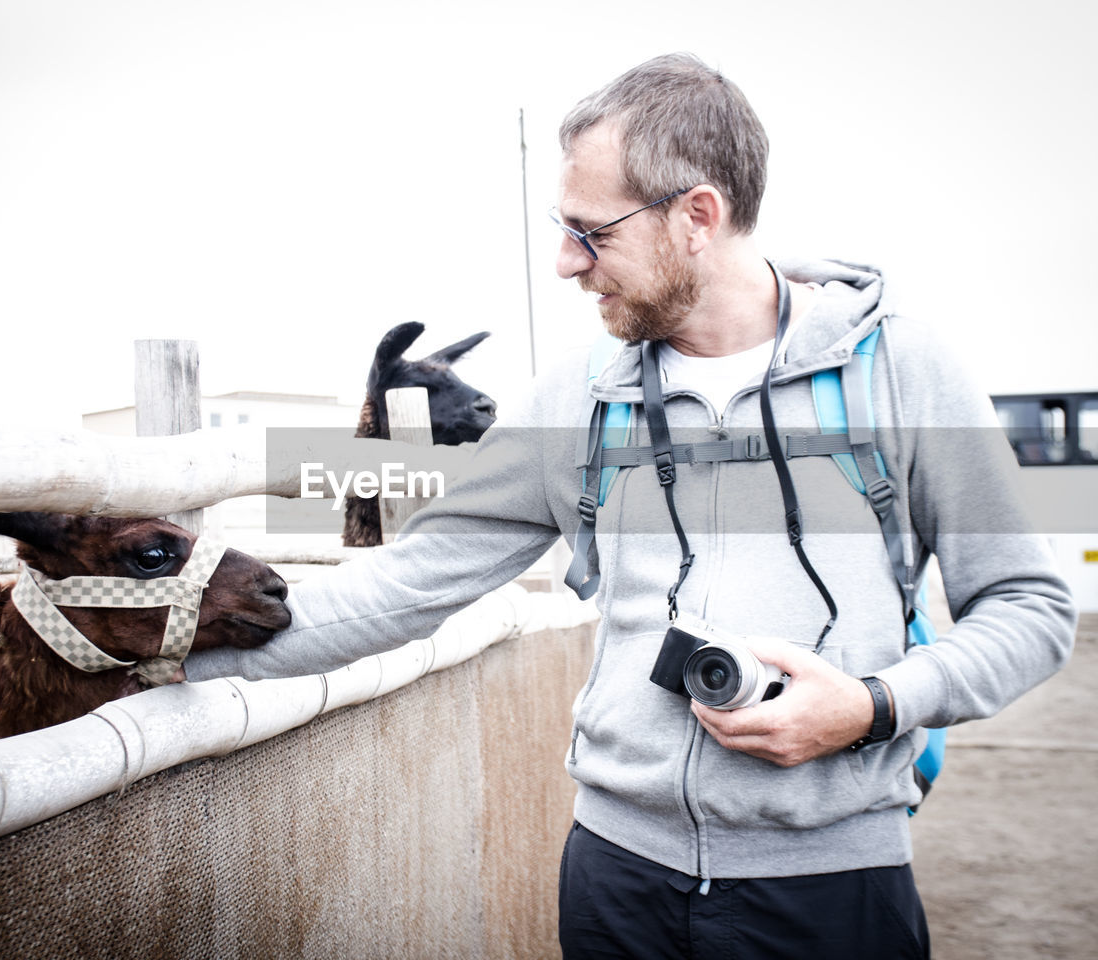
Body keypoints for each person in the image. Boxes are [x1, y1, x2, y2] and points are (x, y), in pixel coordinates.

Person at [186, 53, 1076, 959]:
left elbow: (1030, 608)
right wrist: (170, 651)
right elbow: (406, 585)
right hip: (616, 884)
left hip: (833, 889)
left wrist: (878, 703)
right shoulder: (577, 396)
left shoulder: (904, 372)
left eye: (592, 232)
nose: (567, 263)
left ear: (697, 215)